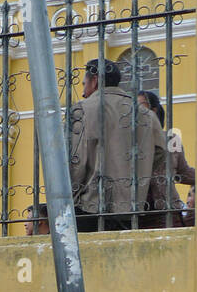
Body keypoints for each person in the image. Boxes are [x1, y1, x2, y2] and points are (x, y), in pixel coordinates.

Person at [69, 60, 165, 230]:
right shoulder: (146, 114)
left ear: (95, 80)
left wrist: (73, 196)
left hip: (88, 205)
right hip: (130, 205)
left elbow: (75, 159)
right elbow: (159, 152)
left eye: (84, 84)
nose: (83, 93)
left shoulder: (82, 109)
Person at [138, 90, 196, 228]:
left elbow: (183, 173)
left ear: (153, 110)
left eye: (140, 105)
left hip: (167, 209)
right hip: (138, 211)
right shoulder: (128, 141)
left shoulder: (171, 139)